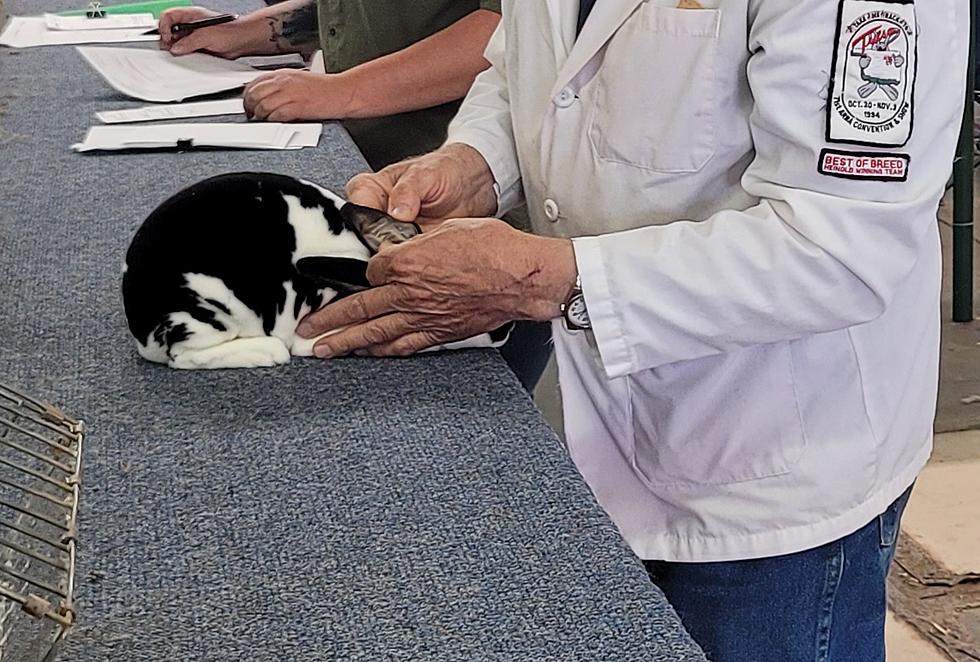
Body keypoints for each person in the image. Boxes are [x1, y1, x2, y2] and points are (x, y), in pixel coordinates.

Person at [296, 1, 968, 660]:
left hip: (767, 479)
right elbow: (525, 68)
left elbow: (840, 250)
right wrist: (477, 163)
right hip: (590, 427)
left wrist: (544, 278)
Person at [159, 0, 552, 390]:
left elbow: (505, 32)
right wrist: (254, 31)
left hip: (482, 234)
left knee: (464, 414)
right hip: (396, 185)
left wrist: (346, 91)